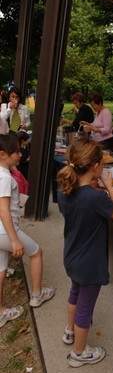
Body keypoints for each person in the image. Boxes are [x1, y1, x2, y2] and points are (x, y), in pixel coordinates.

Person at [57, 137, 113, 368]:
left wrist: (95, 187)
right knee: (85, 309)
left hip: (72, 257)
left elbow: (81, 207)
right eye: (103, 164)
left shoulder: (65, 190)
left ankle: (69, 332)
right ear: (95, 166)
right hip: (90, 264)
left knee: (74, 294)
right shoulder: (96, 197)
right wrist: (109, 187)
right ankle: (79, 353)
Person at [0, 134, 54, 328]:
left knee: (1, 268)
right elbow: (3, 209)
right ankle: (37, 294)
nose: (20, 153)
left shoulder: (2, 172)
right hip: (6, 231)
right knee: (37, 253)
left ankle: (0, 313)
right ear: (3, 154)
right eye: (16, 151)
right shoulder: (5, 179)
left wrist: (12, 165)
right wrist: (14, 240)